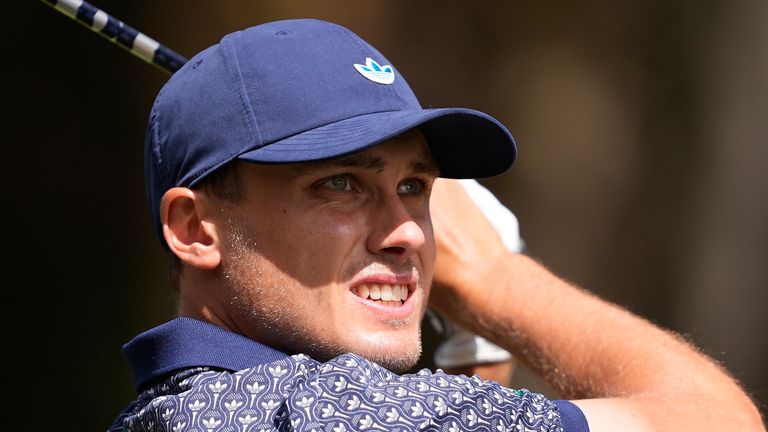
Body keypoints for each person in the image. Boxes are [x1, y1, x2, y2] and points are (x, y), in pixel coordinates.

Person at [109, 18, 764, 431]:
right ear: (195, 229)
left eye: (413, 186)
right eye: (340, 183)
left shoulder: (166, 414)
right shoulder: (321, 409)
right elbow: (718, 423)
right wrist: (495, 282)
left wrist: (478, 361)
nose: (410, 232)